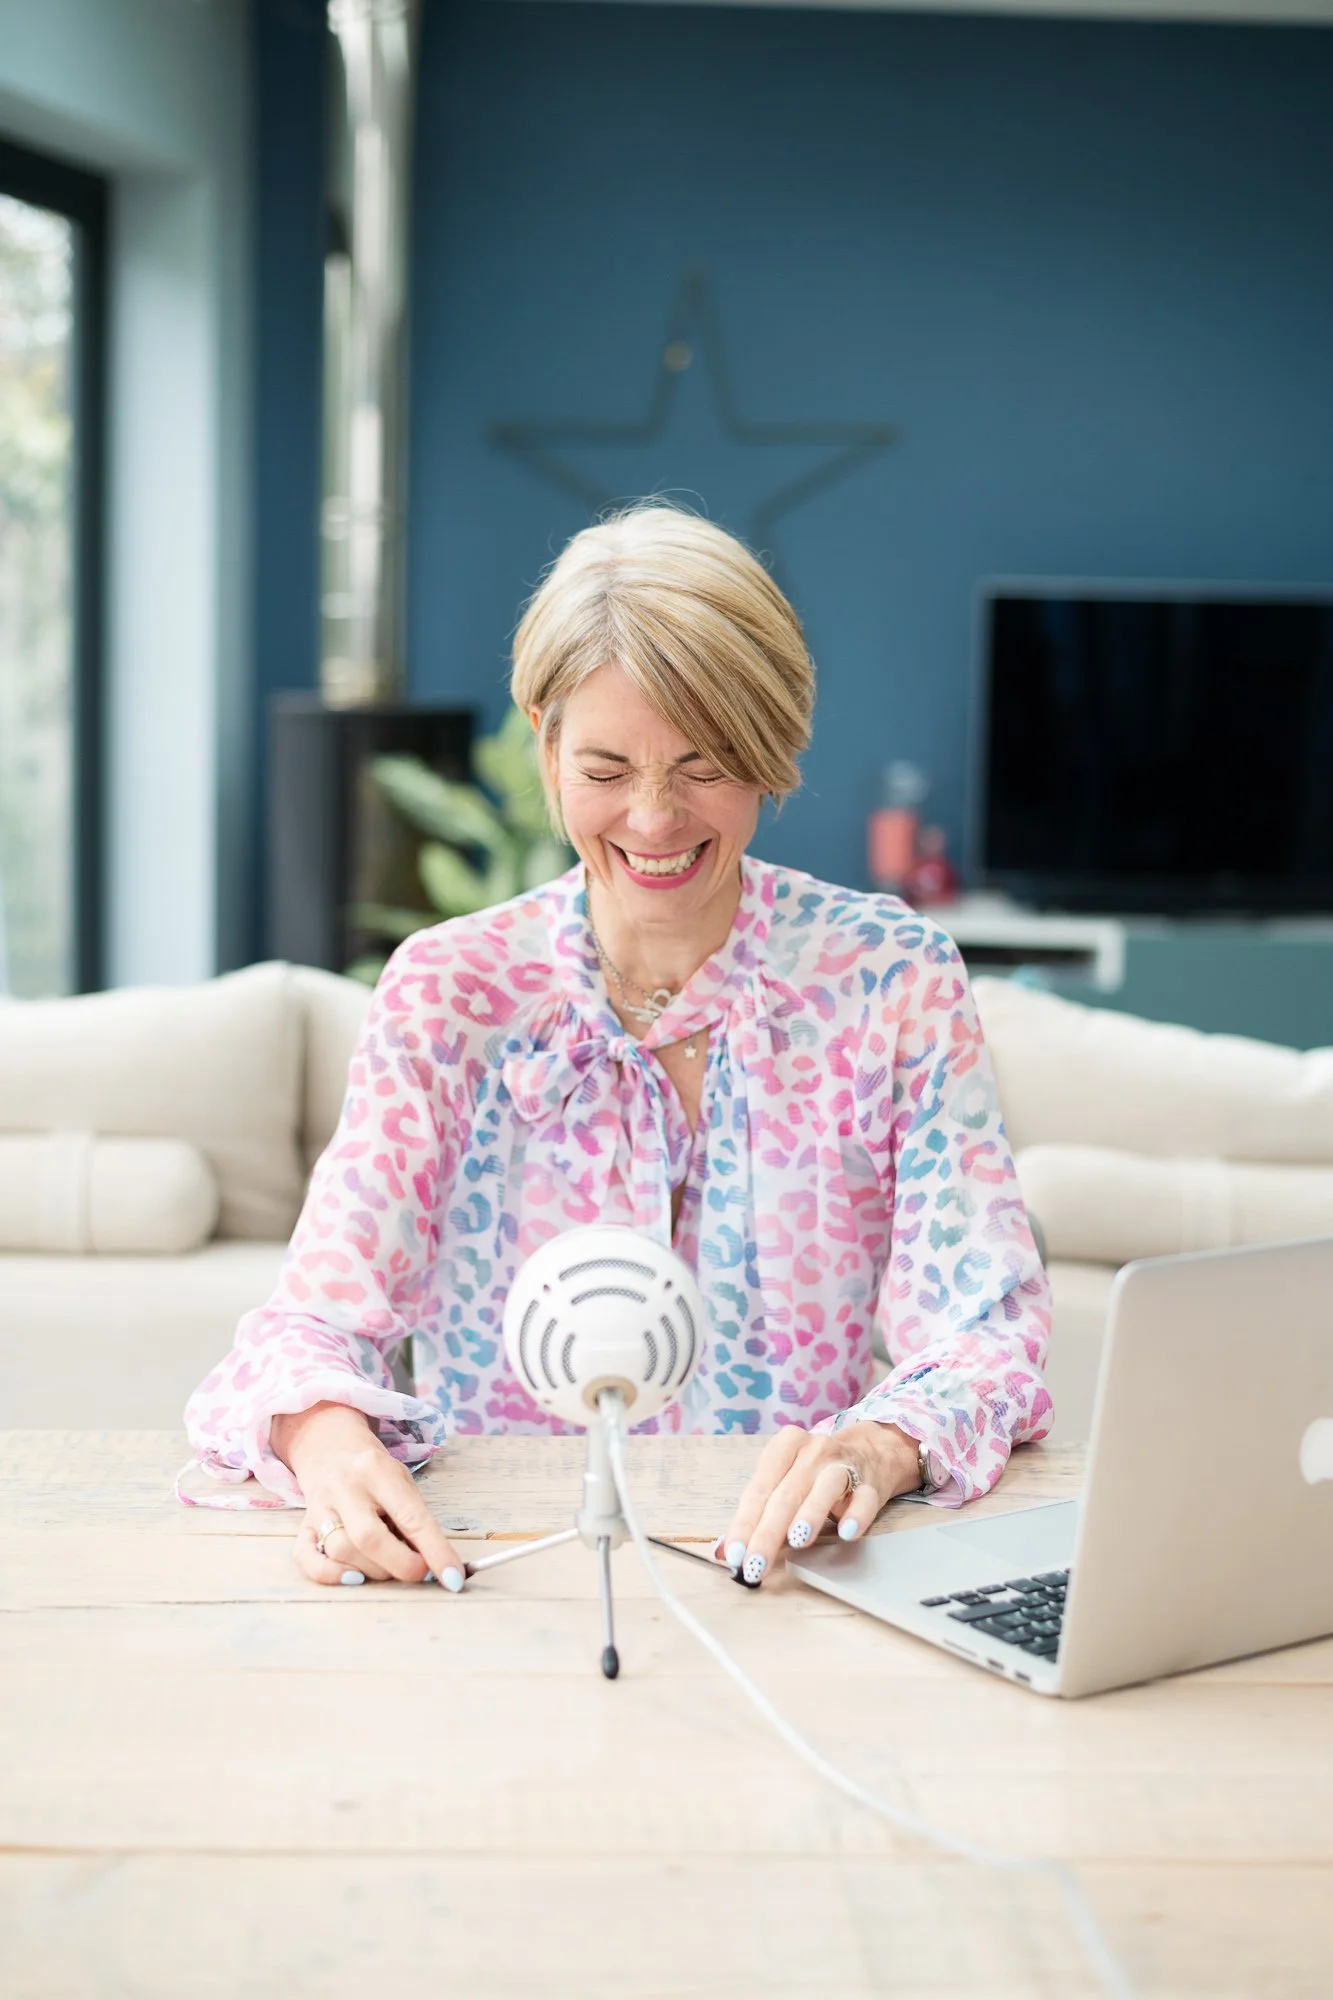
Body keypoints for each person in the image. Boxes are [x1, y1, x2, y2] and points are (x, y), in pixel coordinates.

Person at [184, 504, 1052, 1591]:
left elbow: (986, 1330)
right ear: (542, 740)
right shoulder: (450, 992)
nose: (652, 818)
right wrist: (329, 1442)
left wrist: (879, 1441)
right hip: (497, 1582)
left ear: (773, 742)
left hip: (791, 1580)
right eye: (604, 768)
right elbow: (309, 1324)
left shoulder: (893, 980)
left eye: (703, 765)